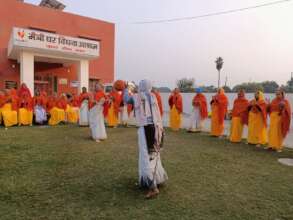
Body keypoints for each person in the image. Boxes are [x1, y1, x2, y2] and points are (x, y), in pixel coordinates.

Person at [124, 80, 168, 199]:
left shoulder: (137, 97)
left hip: (146, 130)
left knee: (147, 157)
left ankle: (153, 187)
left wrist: (126, 88)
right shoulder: (153, 96)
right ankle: (155, 179)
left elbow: (126, 99)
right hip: (157, 129)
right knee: (154, 156)